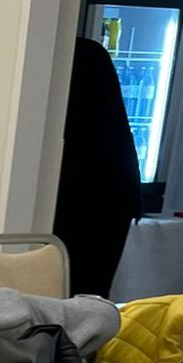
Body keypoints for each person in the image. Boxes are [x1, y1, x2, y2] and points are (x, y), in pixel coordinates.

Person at [53, 35, 143, 298]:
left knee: (61, 286)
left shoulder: (70, 57)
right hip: (114, 195)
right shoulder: (91, 53)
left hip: (79, 196)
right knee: (91, 291)